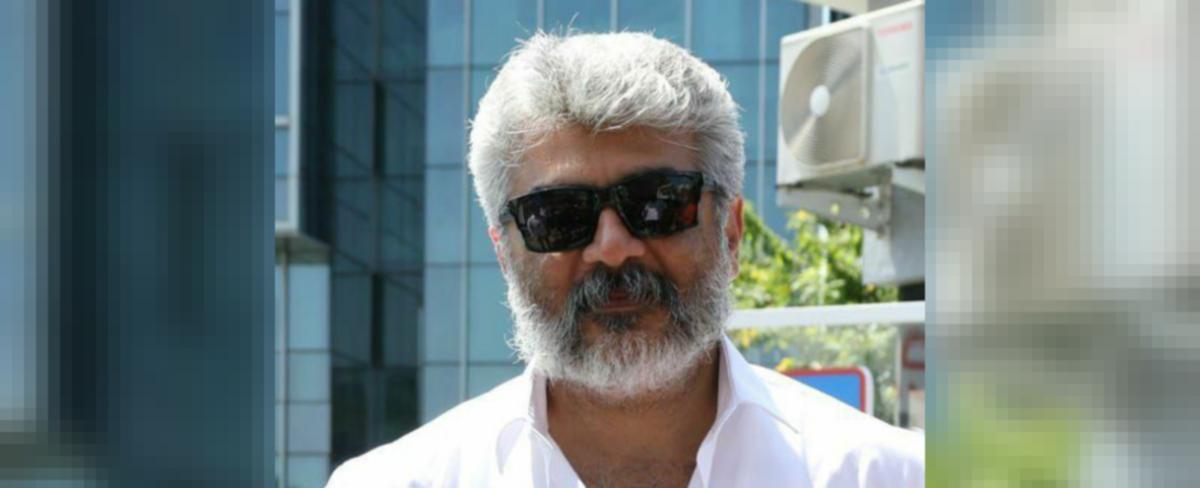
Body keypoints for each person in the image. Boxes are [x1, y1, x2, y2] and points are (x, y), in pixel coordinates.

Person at [327, 31, 923, 487]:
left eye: (657, 203)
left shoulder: (885, 475)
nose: (612, 247)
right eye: (558, 215)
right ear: (504, 252)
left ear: (731, 232)